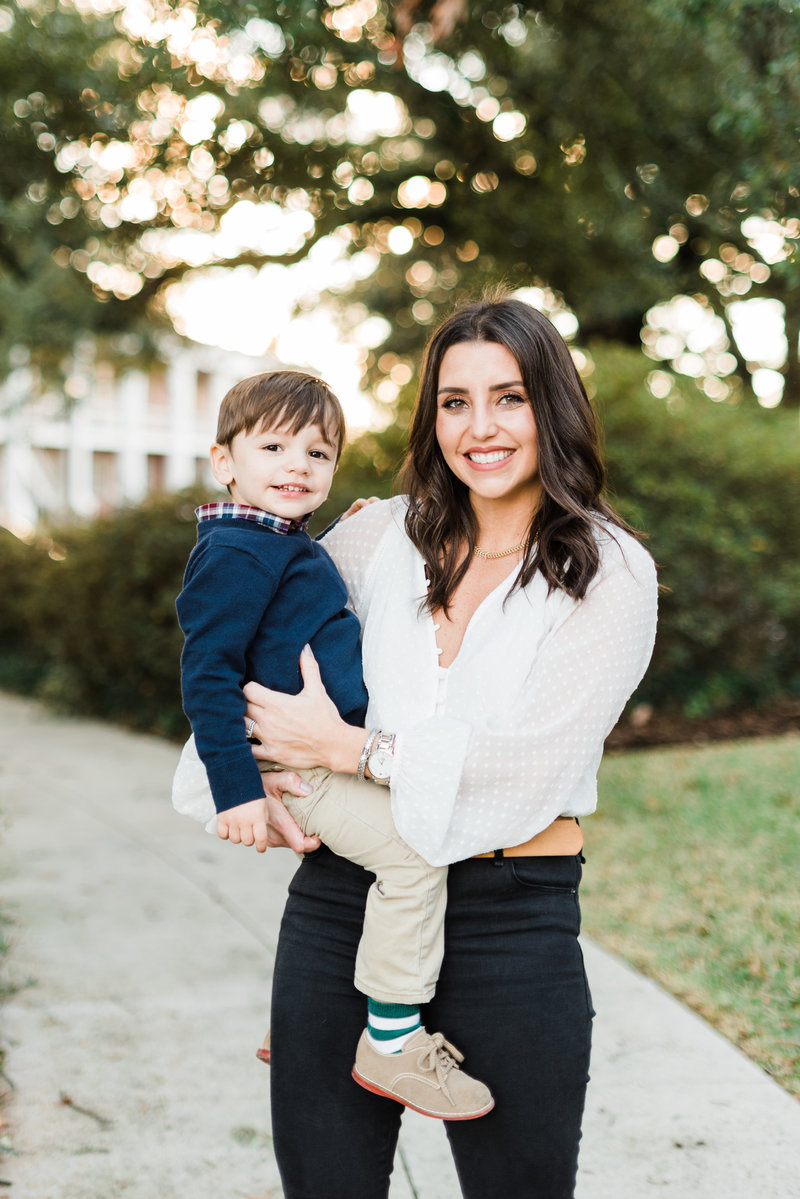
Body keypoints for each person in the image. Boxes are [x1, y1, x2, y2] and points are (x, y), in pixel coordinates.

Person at [239, 295, 659, 1199]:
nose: (482, 428)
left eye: (508, 397)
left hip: (510, 912)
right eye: (454, 402)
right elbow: (243, 649)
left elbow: (531, 762)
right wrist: (254, 780)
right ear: (431, 419)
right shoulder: (372, 537)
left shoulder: (608, 569)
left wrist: (356, 749)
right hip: (345, 908)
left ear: (552, 406)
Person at [174, 368, 494, 1121]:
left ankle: (309, 1022)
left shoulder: (269, 541)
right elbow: (206, 671)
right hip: (298, 766)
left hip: (324, 752)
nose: (298, 465)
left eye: (318, 454)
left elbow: (288, 610)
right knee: (414, 850)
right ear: (225, 462)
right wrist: (239, 790)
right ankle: (391, 1039)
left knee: (380, 852)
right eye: (275, 446)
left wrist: (335, 538)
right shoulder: (237, 553)